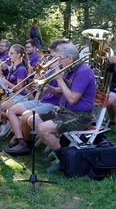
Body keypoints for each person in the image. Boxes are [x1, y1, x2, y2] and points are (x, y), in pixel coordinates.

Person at [32, 43, 96, 171]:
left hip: (79, 116)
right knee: (32, 120)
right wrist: (47, 87)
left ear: (70, 59)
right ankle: (58, 151)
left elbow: (72, 99)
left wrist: (59, 79)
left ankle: (64, 161)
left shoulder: (83, 72)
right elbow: (61, 91)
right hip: (64, 112)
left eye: (59, 58)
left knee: (43, 129)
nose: (57, 61)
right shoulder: (70, 69)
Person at [5, 40, 67, 155]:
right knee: (11, 110)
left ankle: (27, 143)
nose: (51, 56)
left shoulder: (65, 68)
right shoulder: (50, 67)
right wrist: (38, 84)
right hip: (41, 100)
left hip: (53, 104)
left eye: (53, 53)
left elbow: (62, 91)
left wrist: (48, 87)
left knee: (26, 116)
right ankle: (21, 141)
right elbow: (43, 88)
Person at [0, 44, 29, 137]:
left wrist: (5, 82)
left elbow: (19, 88)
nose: (9, 55)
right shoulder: (12, 67)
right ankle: (7, 121)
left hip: (19, 97)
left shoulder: (21, 69)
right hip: (9, 95)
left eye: (12, 53)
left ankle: (12, 121)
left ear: (19, 55)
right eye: (9, 53)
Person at [107, 55, 116, 128]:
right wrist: (109, 62)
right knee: (109, 103)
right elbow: (109, 70)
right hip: (114, 88)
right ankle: (112, 121)